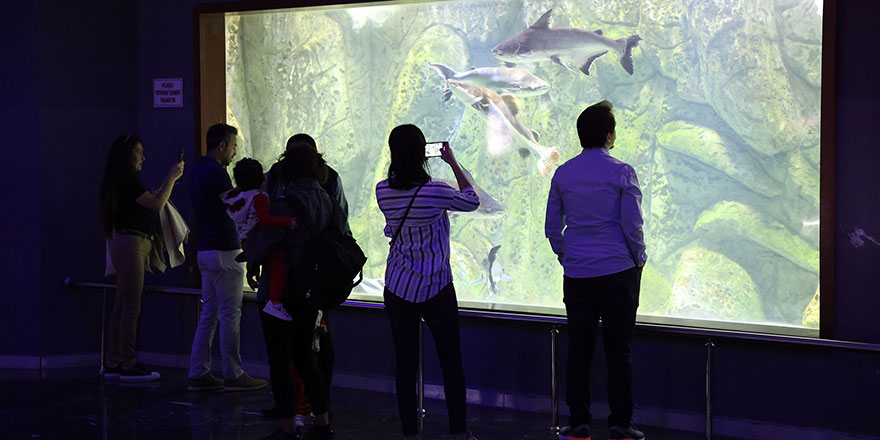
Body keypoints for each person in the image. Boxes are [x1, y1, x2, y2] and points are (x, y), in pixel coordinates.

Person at [545, 101, 647, 440]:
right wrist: (639, 259)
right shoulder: (622, 172)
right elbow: (632, 225)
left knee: (579, 350)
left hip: (578, 275)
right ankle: (621, 423)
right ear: (609, 135)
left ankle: (578, 423)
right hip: (619, 272)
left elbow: (551, 227)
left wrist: (567, 254)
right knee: (619, 350)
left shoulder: (563, 173)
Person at [376, 124, 479, 440]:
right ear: (424, 153)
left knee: (405, 366)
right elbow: (472, 199)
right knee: (451, 363)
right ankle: (458, 432)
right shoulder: (436, 190)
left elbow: (394, 227)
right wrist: (452, 162)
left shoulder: (382, 190)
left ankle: (410, 433)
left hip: (398, 288)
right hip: (436, 287)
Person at [253, 146, 339, 440]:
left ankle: (289, 426)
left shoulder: (286, 203)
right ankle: (323, 421)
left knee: (280, 361)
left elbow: (264, 242)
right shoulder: (328, 200)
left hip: (281, 293)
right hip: (311, 294)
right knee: (306, 358)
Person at [187, 123, 267, 392]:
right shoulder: (217, 173)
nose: (234, 153)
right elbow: (234, 205)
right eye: (233, 146)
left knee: (208, 313)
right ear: (221, 145)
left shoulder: (196, 169)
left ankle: (198, 371)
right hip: (226, 250)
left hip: (204, 249)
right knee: (231, 314)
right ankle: (233, 372)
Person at [98, 134, 184, 381]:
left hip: (125, 243)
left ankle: (114, 360)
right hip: (132, 244)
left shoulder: (118, 182)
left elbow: (148, 202)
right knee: (131, 307)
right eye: (138, 151)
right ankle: (128, 363)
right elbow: (157, 204)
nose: (143, 157)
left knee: (121, 306)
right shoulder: (127, 181)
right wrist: (171, 177)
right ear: (126, 155)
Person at [222, 157, 296, 321]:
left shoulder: (237, 197)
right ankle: (275, 302)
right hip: (260, 239)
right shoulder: (259, 197)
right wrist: (288, 221)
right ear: (262, 178)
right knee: (279, 265)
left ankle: (271, 298)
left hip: (246, 241)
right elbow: (264, 219)